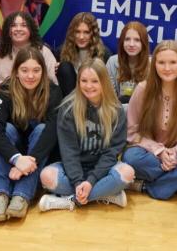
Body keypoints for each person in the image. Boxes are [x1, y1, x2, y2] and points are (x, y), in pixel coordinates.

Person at [38, 59, 133, 211]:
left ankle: (67, 201)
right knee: (46, 176)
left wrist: (90, 181)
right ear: (78, 82)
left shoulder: (115, 109)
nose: (89, 86)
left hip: (102, 169)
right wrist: (77, 182)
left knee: (127, 173)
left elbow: (112, 152)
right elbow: (69, 151)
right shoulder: (68, 108)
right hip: (73, 169)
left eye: (95, 81)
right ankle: (104, 195)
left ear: (104, 82)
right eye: (84, 80)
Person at [124, 41, 177, 200]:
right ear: (154, 64)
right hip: (148, 154)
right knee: (131, 157)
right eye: (161, 62)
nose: (167, 68)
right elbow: (132, 132)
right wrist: (160, 151)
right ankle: (176, 182)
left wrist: (175, 153)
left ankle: (148, 187)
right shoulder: (142, 90)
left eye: (173, 62)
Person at [0, 47, 63, 222]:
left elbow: (51, 133)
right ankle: (0, 193)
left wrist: (29, 161)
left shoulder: (53, 92)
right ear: (16, 71)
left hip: (38, 153)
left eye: (36, 70)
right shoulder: (6, 89)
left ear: (43, 71)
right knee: (6, 129)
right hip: (14, 151)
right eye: (25, 70)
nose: (30, 76)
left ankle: (22, 194)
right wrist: (16, 159)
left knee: (41, 129)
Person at [0, 11, 58, 84]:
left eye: (24, 25)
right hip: (7, 92)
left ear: (31, 30)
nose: (18, 29)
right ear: (7, 30)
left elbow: (54, 82)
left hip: (37, 92)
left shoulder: (43, 51)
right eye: (13, 25)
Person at [56, 12, 111, 96]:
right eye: (77, 32)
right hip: (69, 101)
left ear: (93, 34)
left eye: (86, 32)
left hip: (94, 98)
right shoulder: (61, 51)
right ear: (72, 33)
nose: (81, 37)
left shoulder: (104, 54)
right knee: (64, 67)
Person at [106, 21, 150, 103]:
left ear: (143, 43)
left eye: (137, 40)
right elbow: (110, 99)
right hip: (117, 112)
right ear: (122, 42)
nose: (131, 44)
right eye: (127, 39)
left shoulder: (152, 65)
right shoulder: (112, 62)